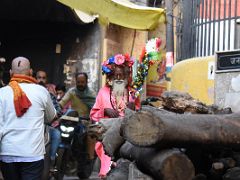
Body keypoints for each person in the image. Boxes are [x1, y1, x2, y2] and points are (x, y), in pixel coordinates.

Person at [0, 57, 56, 180]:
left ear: (10, 73)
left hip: (7, 153)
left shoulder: (1, 93)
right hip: (33, 154)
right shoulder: (42, 92)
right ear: (31, 72)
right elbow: (51, 117)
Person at [90, 53, 140, 178]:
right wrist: (104, 111)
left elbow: (141, 114)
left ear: (126, 76)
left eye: (121, 75)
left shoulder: (133, 93)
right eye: (115, 75)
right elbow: (93, 114)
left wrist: (134, 108)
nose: (118, 77)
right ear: (110, 76)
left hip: (129, 133)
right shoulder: (103, 92)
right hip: (109, 134)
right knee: (106, 153)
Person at [36, 70, 62, 172]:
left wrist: (55, 115)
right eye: (39, 78)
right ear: (35, 78)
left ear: (46, 80)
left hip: (46, 126)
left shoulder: (50, 95)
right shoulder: (29, 93)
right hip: (32, 126)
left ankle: (51, 161)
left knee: (56, 135)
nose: (41, 80)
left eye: (43, 78)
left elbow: (58, 110)